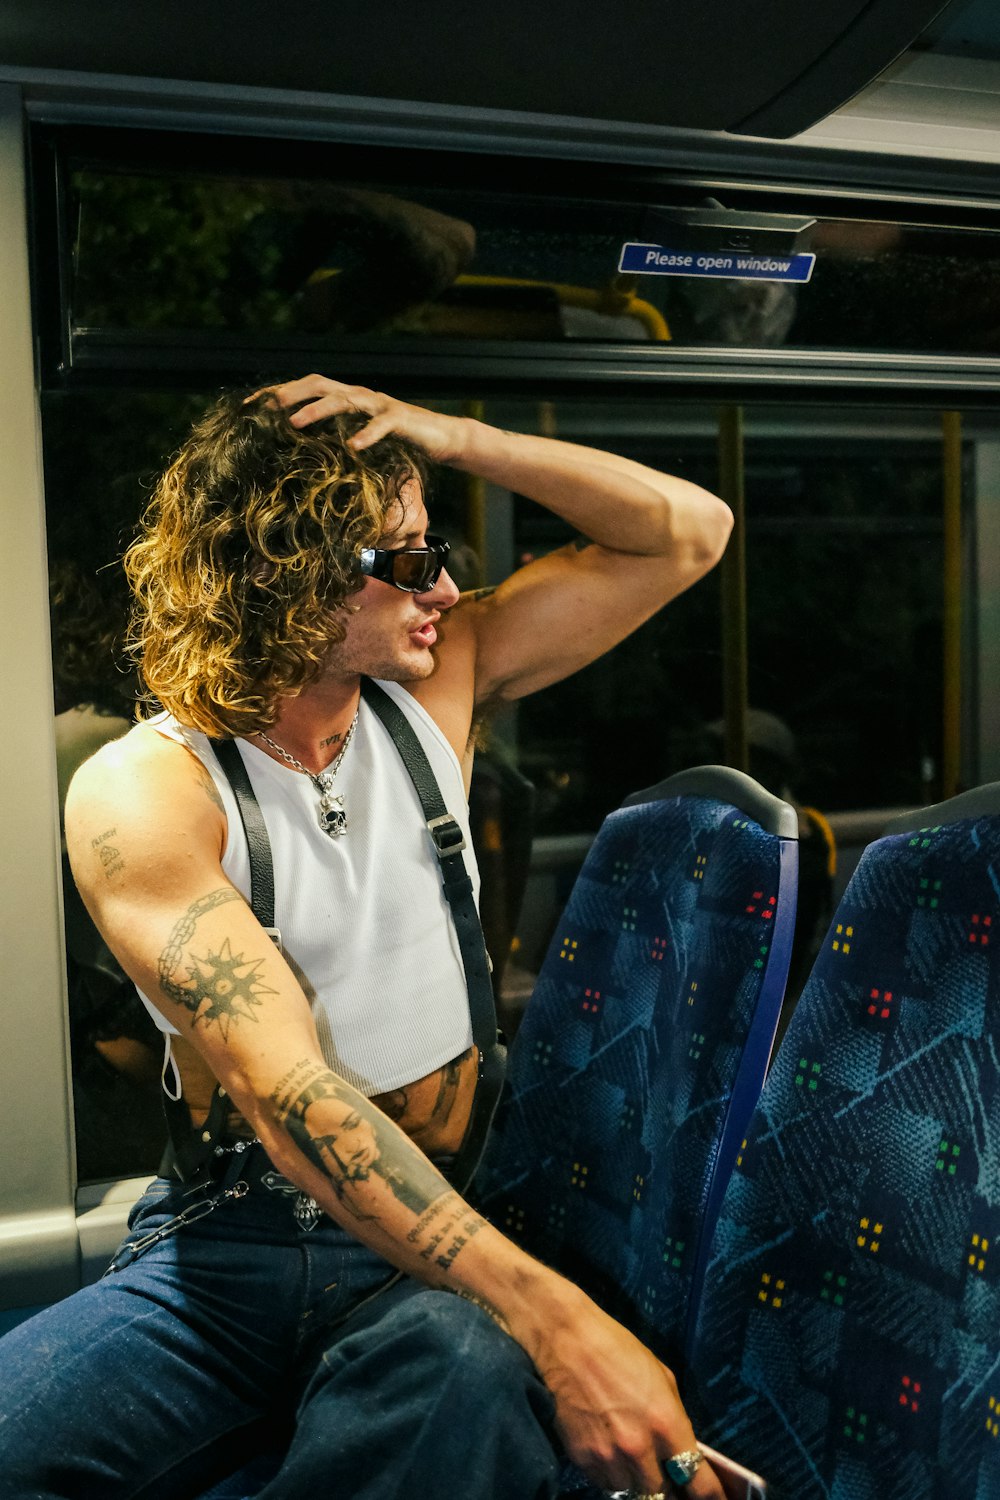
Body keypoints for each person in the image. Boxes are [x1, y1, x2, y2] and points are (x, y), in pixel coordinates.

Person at [0, 375, 733, 1500]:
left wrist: (449, 435)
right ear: (284, 574)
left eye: (432, 548)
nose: (441, 583)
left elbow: (687, 533)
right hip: (237, 1240)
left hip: (441, 1228)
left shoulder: (442, 689)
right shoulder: (147, 793)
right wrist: (557, 1318)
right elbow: (291, 1096)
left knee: (454, 1379)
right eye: (399, 560)